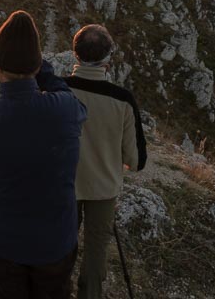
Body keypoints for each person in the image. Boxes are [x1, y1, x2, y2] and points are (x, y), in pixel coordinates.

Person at [0, 11, 86, 299]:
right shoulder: (65, 109)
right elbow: (64, 91)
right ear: (38, 64)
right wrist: (41, 66)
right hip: (56, 241)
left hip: (6, 241)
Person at [65, 24, 146, 299]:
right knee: (96, 250)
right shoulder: (122, 100)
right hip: (103, 190)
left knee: (62, 246)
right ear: (108, 59)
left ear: (75, 55)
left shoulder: (58, 91)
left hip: (64, 185)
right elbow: (135, 159)